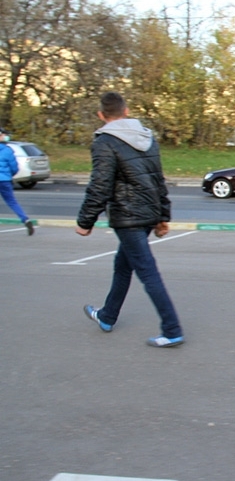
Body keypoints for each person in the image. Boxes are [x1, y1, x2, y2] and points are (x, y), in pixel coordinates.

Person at [76, 92, 184, 347]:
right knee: (123, 265)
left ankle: (172, 329)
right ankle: (107, 315)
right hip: (146, 214)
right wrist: (162, 215)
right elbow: (158, 179)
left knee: (147, 272)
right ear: (126, 111)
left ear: (102, 115)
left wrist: (85, 221)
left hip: (128, 216)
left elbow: (100, 185)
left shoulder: (104, 141)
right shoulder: (147, 137)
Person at [0, 132, 35, 235]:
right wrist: (9, 175)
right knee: (12, 202)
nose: (5, 136)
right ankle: (25, 219)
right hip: (5, 180)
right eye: (2, 134)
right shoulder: (8, 150)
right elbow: (14, 167)